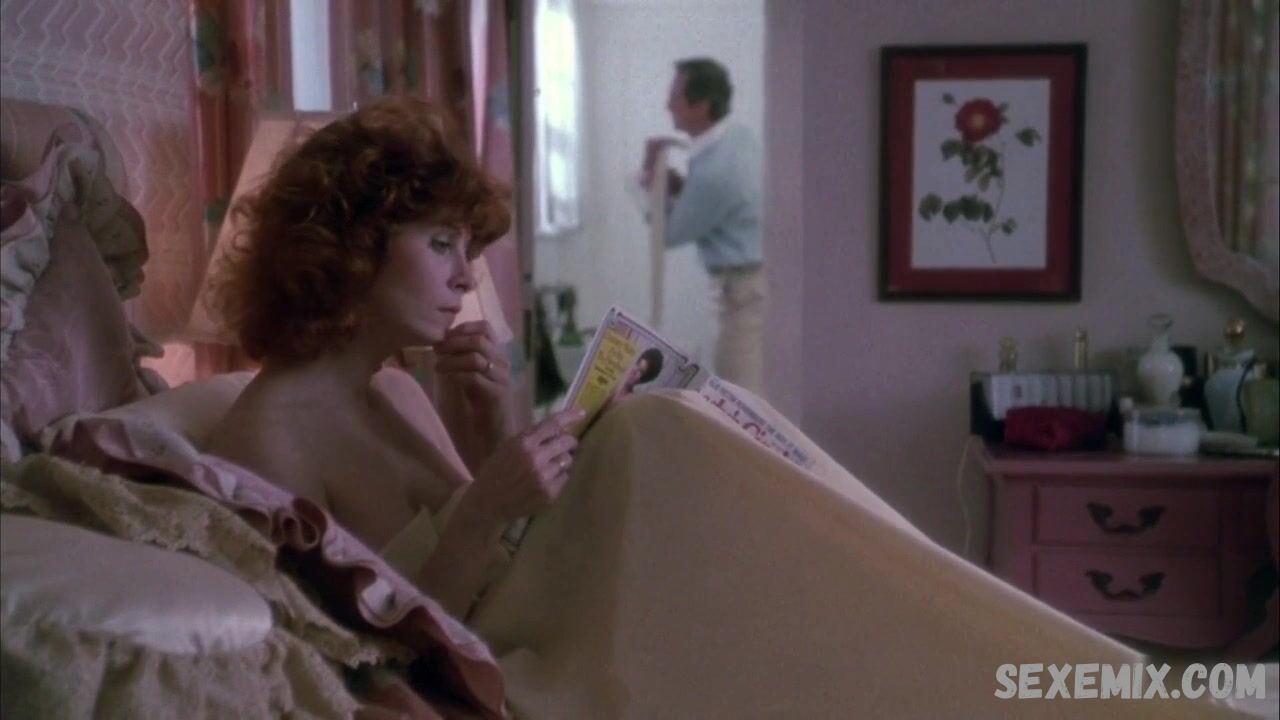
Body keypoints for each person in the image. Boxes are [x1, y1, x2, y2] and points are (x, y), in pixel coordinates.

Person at [204, 96, 585, 621]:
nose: (466, 277)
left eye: (467, 250)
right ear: (354, 246)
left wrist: (495, 426)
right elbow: (354, 658)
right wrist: (483, 511)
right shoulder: (266, 440)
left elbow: (504, 561)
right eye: (442, 244)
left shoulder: (399, 390)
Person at [641, 57, 766, 394]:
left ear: (702, 105)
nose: (668, 105)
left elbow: (667, 234)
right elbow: (724, 205)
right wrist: (680, 188)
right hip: (755, 287)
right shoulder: (739, 140)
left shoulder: (715, 172)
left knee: (740, 398)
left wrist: (651, 176)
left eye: (675, 97)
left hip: (743, 296)